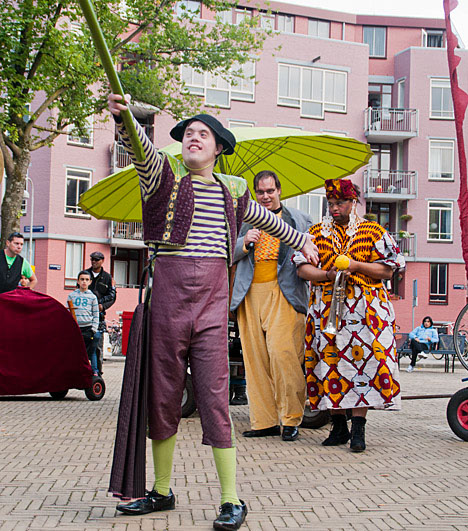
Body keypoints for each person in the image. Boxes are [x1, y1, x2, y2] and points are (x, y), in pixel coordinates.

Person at [107, 93, 318, 530]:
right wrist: (127, 115)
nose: (193, 139)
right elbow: (143, 151)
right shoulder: (160, 179)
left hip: (211, 305)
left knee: (214, 397)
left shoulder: (235, 190)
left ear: (219, 147)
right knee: (163, 398)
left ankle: (231, 499)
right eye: (187, 134)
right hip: (166, 300)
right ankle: (161, 491)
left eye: (203, 134)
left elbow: (269, 220)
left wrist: (300, 240)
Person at [296, 179, 404, 453]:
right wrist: (328, 275)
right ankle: (338, 426)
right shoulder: (315, 233)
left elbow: (389, 270)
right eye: (330, 203)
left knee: (365, 366)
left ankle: (358, 428)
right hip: (326, 308)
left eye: (340, 203)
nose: (334, 208)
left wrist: (355, 265)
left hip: (366, 310)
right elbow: (301, 269)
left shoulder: (372, 231)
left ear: (353, 202)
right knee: (327, 363)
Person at [230, 170, 312, 442]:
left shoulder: (299, 219)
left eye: (270, 191)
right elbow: (223, 250)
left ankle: (290, 419)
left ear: (279, 191)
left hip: (285, 293)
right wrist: (244, 243)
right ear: (255, 193)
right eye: (260, 192)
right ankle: (264, 421)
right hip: (249, 294)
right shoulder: (241, 221)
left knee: (284, 355)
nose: (265, 196)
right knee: (255, 361)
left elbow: (312, 250)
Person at [82, 251, 116, 375]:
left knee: (98, 347)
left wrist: (103, 306)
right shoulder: (85, 275)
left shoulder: (107, 277)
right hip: (85, 316)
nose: (94, 262)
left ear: (102, 261)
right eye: (92, 259)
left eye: (96, 260)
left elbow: (112, 297)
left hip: (99, 318)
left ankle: (98, 372)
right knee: (83, 346)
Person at [67, 270, 100, 375]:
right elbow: (68, 312)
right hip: (76, 328)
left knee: (92, 351)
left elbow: (96, 314)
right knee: (76, 351)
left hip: (88, 328)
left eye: (86, 280)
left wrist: (93, 329)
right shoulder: (72, 296)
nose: (84, 282)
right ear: (77, 281)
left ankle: (94, 371)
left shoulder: (92, 297)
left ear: (90, 282)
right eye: (82, 279)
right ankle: (75, 370)